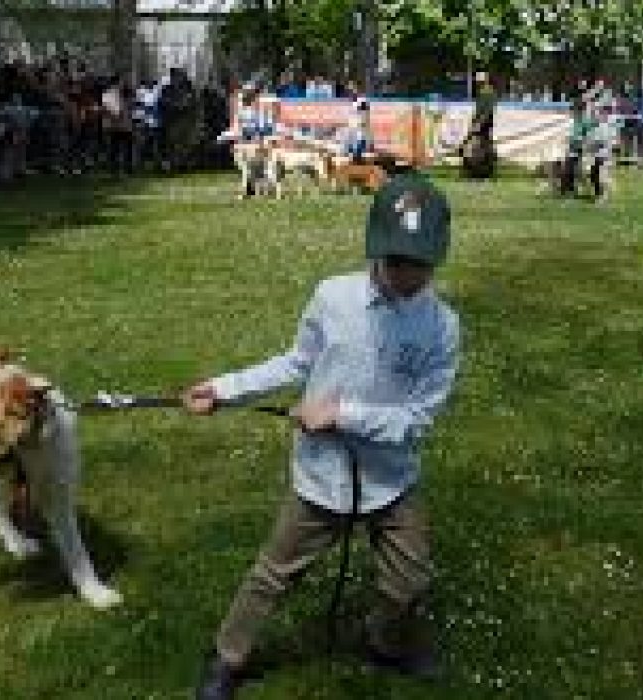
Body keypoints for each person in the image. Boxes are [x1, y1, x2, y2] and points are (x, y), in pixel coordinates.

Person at [186, 173, 460, 700]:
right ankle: (227, 657)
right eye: (396, 261)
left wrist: (343, 414)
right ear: (375, 248)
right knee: (274, 573)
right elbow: (295, 361)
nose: (407, 275)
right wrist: (222, 390)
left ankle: (385, 641)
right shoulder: (332, 298)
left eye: (420, 263)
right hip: (323, 479)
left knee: (409, 581)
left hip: (391, 480)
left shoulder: (442, 327)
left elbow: (419, 417)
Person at [462, 71, 496, 179]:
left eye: (479, 81)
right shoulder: (484, 91)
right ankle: (480, 170)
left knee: (481, 147)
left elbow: (487, 110)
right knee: (482, 146)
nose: (477, 83)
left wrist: (478, 123)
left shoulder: (487, 92)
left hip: (484, 121)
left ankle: (481, 171)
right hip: (483, 121)